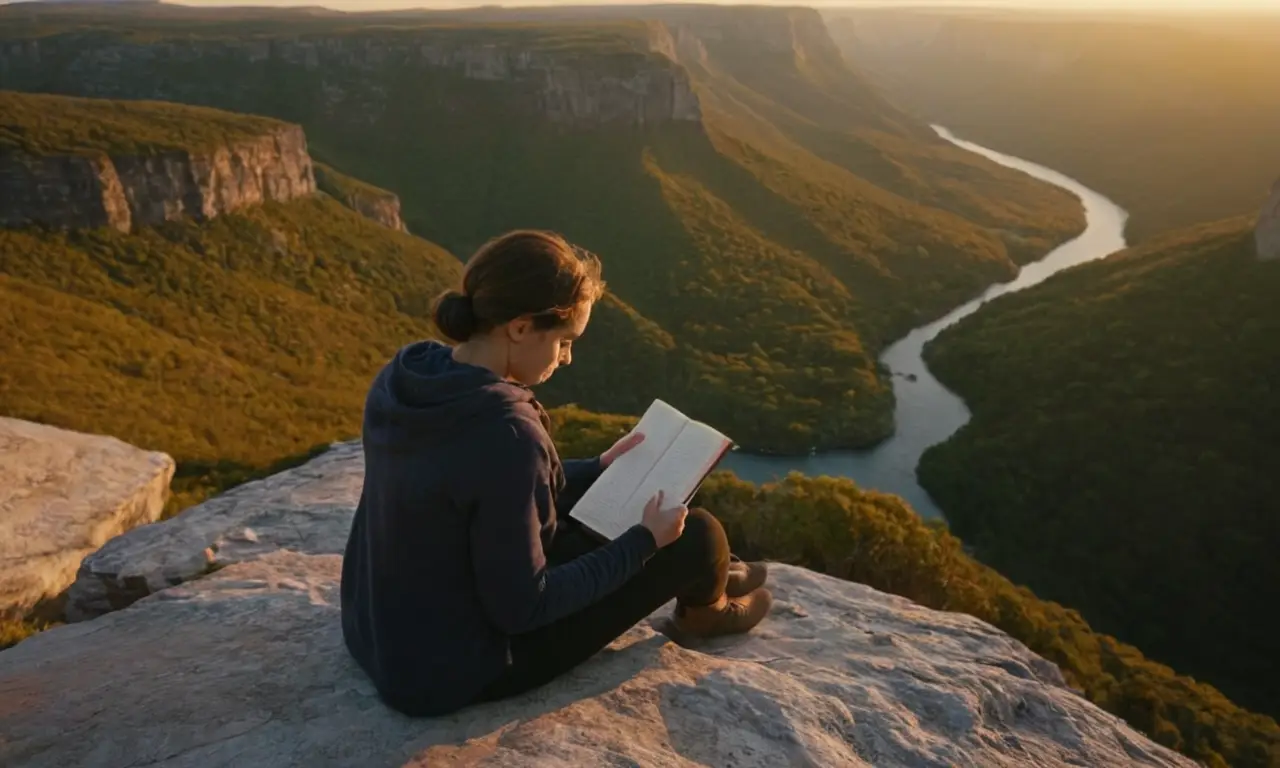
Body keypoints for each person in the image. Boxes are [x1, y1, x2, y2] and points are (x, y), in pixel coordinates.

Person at [340, 229, 773, 717]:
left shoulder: (407, 376)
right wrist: (643, 543)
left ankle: (714, 571)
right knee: (695, 534)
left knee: (660, 527)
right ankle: (707, 610)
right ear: (521, 328)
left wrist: (596, 468)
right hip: (451, 669)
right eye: (565, 341)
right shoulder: (505, 433)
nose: (567, 358)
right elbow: (525, 607)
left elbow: (471, 491)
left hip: (380, 632)